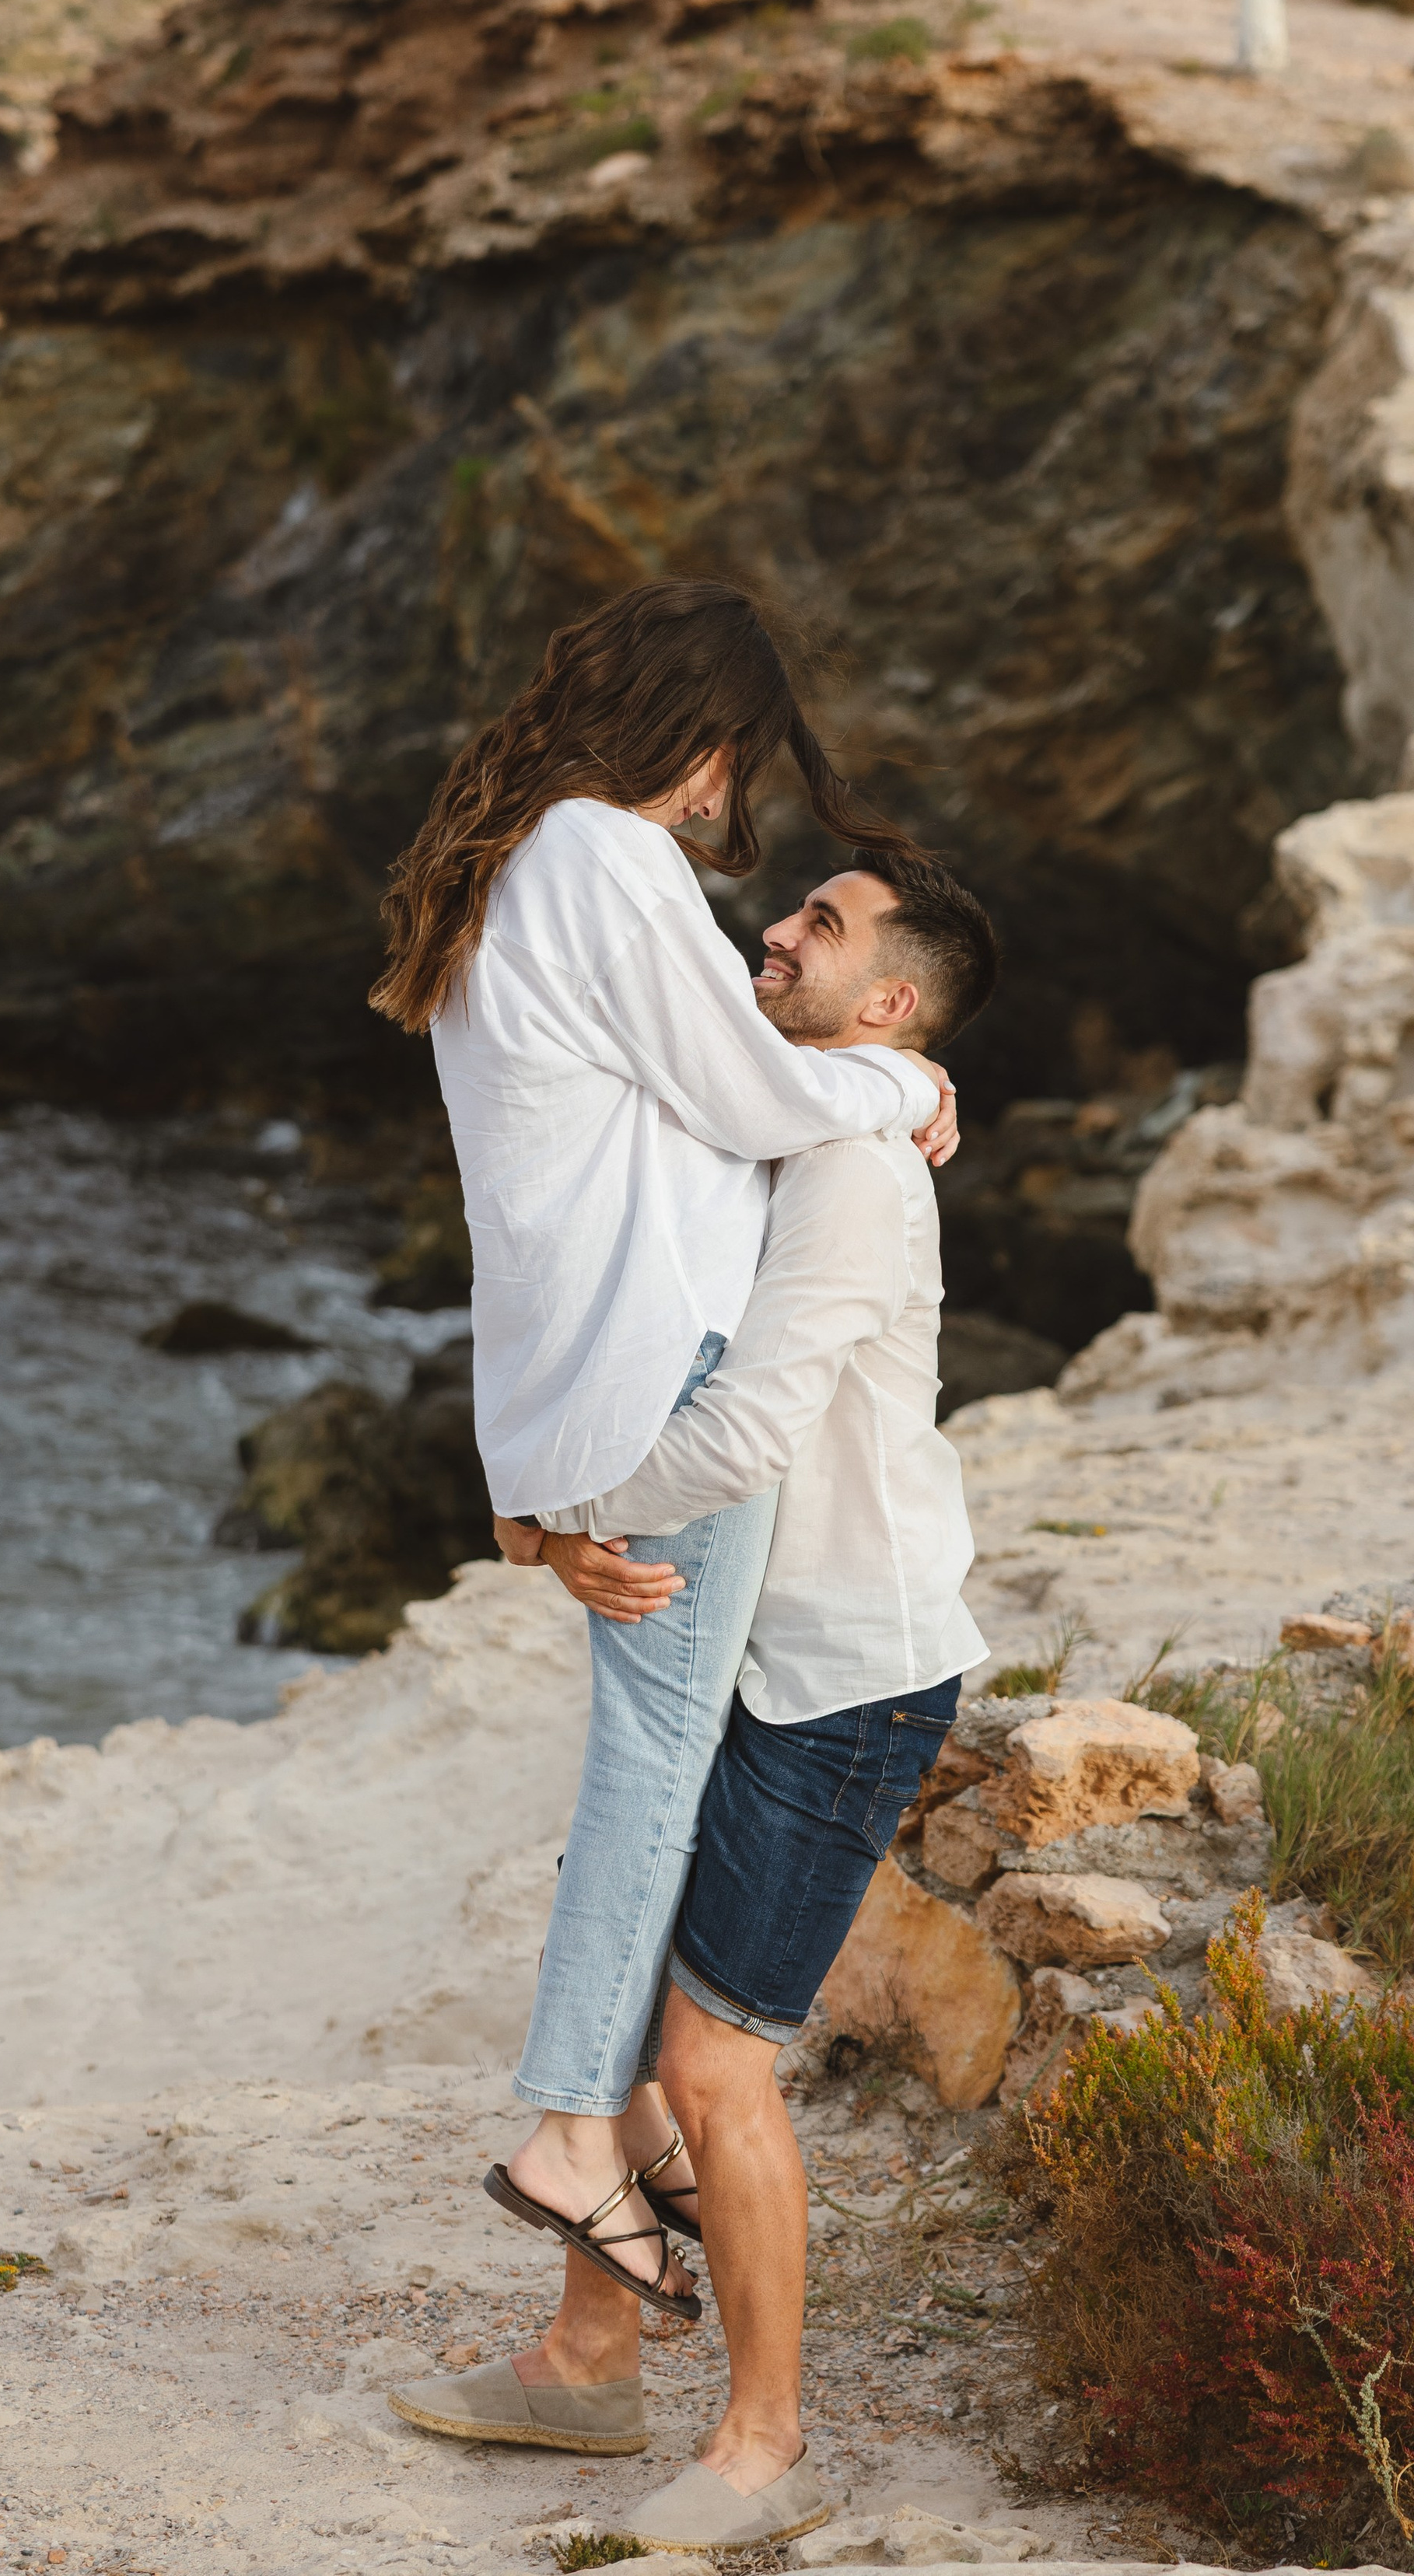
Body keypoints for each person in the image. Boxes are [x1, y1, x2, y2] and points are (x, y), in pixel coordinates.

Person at [390, 850, 998, 2559]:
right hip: (741, 1642)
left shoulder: (852, 1175)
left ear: (884, 1001)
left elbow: (741, 1432)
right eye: (781, 905)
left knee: (709, 2059)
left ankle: (763, 2439)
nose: (771, 931)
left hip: (838, 1675)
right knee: (632, 2008)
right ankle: (590, 2360)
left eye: (816, 926)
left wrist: (566, 1520)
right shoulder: (787, 1123)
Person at [369, 577, 958, 2313]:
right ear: (705, 743)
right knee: (654, 1763)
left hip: (570, 1374)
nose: (730, 809)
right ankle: (576, 2130)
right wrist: (904, 1090)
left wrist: (532, 1488)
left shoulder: (507, 868)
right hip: (662, 1370)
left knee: (653, 1753)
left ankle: (613, 2134)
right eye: (737, 767)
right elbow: (755, 1095)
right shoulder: (608, 860)